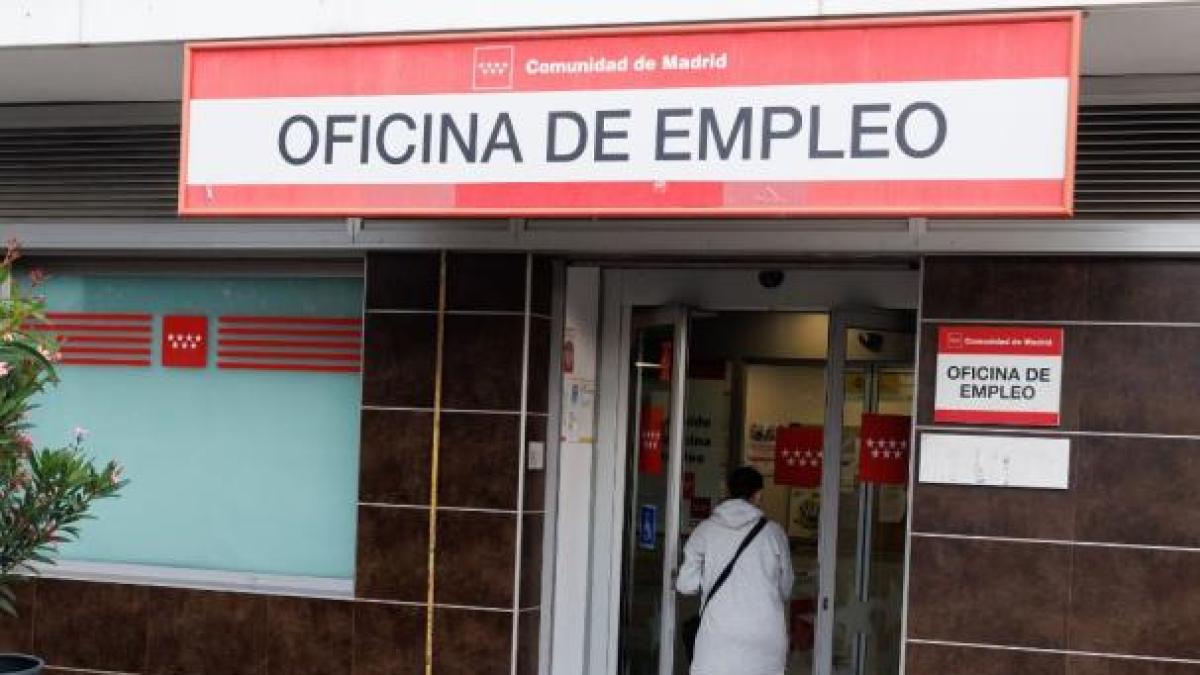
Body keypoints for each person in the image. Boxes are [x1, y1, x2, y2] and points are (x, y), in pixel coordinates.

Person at [677, 466, 794, 675]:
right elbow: (786, 588)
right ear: (758, 494)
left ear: (728, 491)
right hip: (764, 636)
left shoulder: (704, 531)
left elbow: (685, 585)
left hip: (717, 635)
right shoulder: (774, 534)